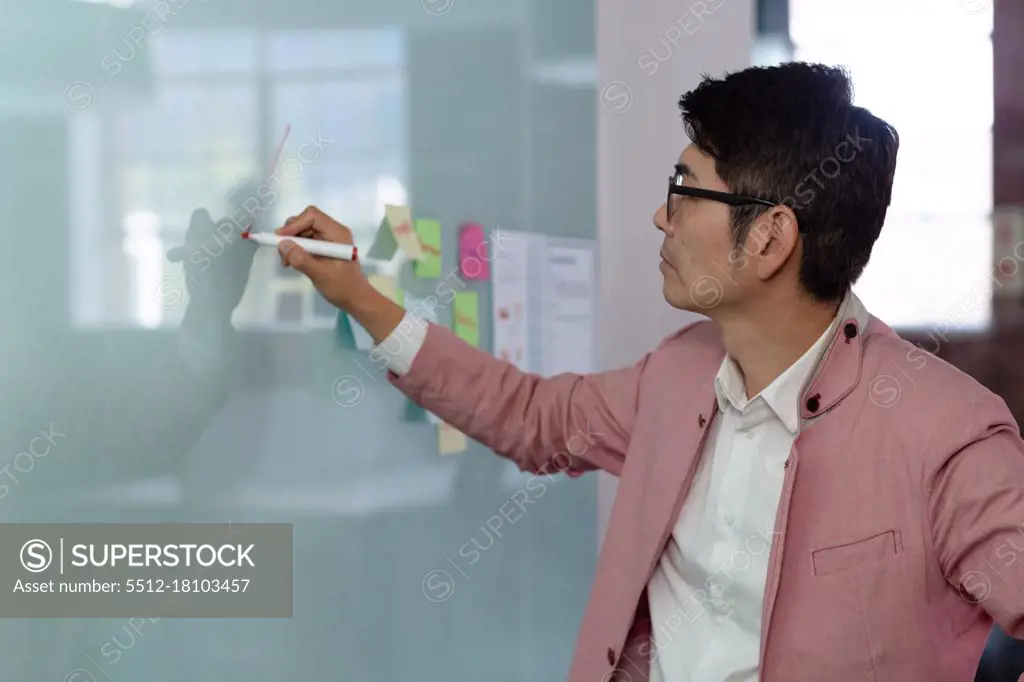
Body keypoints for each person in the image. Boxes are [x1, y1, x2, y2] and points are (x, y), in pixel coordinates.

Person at [272, 62, 1024, 681]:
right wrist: (361, 298)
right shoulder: (676, 375)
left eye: (683, 189)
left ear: (769, 239)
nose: (660, 217)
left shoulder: (948, 436)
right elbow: (533, 416)